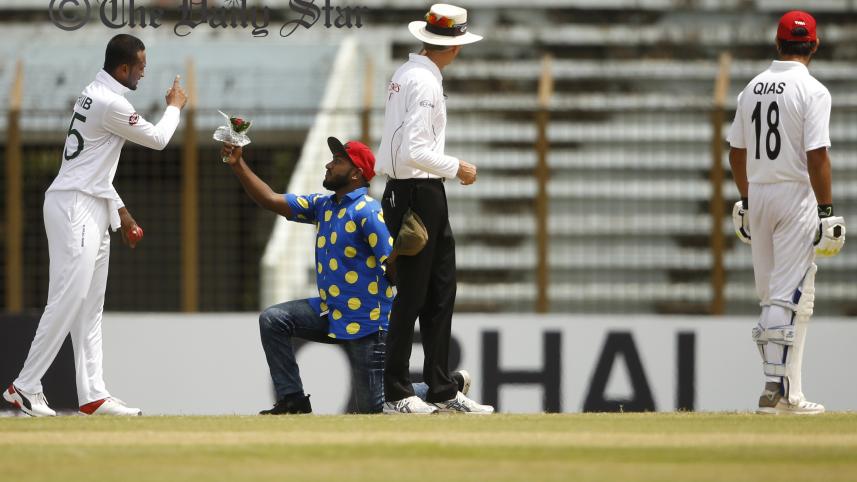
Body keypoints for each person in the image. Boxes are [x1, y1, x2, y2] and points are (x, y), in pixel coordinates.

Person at [4, 34, 188, 417]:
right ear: (123, 68)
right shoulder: (111, 103)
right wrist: (174, 107)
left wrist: (121, 212)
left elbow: (93, 167)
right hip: (76, 205)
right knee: (69, 298)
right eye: (140, 66)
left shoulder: (93, 93)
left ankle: (93, 395)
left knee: (89, 306)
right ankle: (25, 386)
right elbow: (158, 139)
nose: (144, 72)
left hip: (90, 202)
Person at [221, 138, 472, 414]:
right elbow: (270, 200)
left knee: (374, 408)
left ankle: (445, 387)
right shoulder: (323, 205)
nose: (328, 165)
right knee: (273, 319)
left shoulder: (369, 212)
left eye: (338, 161)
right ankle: (293, 399)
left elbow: (395, 268)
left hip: (367, 323)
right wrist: (238, 164)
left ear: (356, 174)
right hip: (331, 312)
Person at [376, 3, 493, 414]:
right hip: (417, 192)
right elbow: (415, 150)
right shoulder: (425, 82)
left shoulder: (407, 73)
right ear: (456, 47)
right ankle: (397, 393)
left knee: (440, 290)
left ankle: (441, 388)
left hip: (417, 191)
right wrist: (457, 167)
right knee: (414, 295)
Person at [727, 10, 846, 415]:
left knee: (775, 295)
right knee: (788, 293)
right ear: (814, 45)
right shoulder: (814, 90)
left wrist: (747, 199)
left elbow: (736, 153)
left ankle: (788, 390)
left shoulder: (751, 88)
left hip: (759, 191)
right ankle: (775, 390)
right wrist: (826, 210)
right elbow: (818, 155)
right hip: (795, 194)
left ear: (778, 43)